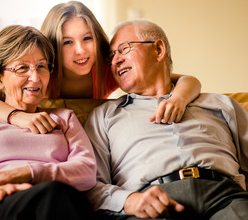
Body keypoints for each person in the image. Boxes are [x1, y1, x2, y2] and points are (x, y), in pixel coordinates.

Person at [85, 19, 248, 220]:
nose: (115, 61)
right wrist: (130, 201)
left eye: (124, 49)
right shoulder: (104, 116)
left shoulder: (221, 104)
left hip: (225, 197)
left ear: (159, 49)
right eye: (111, 57)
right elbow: (91, 185)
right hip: (150, 205)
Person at [0, 1, 201, 134]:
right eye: (68, 42)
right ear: (55, 47)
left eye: (87, 38)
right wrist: (17, 117)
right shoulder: (42, 76)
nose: (81, 50)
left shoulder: (107, 71)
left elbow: (187, 80)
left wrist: (178, 99)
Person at [0, 25, 97, 220]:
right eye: (22, 68)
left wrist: (26, 173)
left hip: (55, 201)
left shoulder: (64, 118)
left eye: (41, 66)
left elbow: (87, 171)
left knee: (57, 197)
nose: (35, 77)